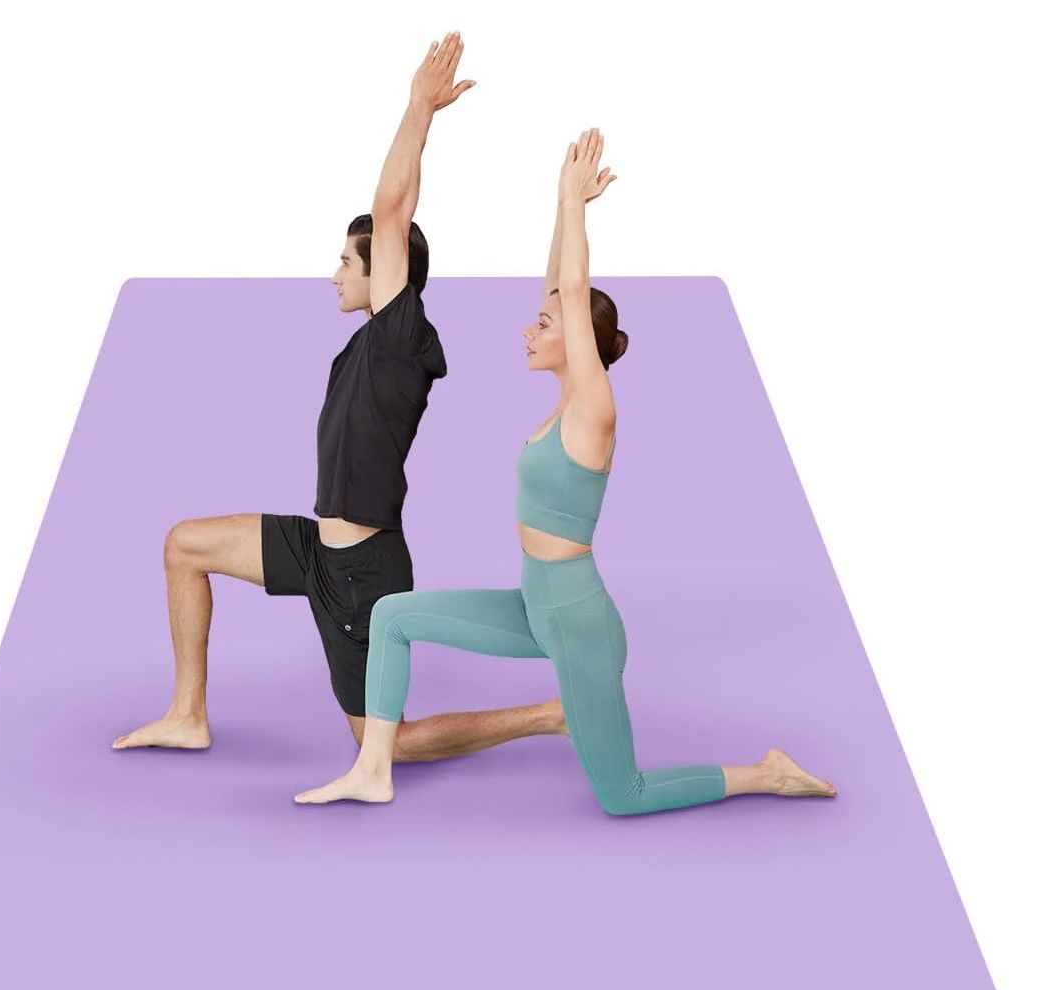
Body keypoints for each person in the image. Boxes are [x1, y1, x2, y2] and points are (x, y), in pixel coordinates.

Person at [294, 127, 838, 811]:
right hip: (534, 607)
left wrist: (573, 203)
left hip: (579, 625)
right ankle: (374, 768)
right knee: (395, 616)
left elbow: (572, 293)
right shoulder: (563, 406)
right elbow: (560, 284)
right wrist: (560, 213)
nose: (531, 328)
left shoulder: (594, 413)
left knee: (622, 793)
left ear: (580, 343)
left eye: (545, 325)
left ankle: (767, 774)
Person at [112, 32, 568, 759]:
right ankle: (187, 713)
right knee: (183, 545)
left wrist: (419, 108)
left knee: (386, 746)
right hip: (317, 549)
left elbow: (390, 209)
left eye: (345, 261)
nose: (334, 274)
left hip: (361, 576)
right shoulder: (363, 344)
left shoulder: (398, 337)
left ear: (382, 273)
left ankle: (549, 714)